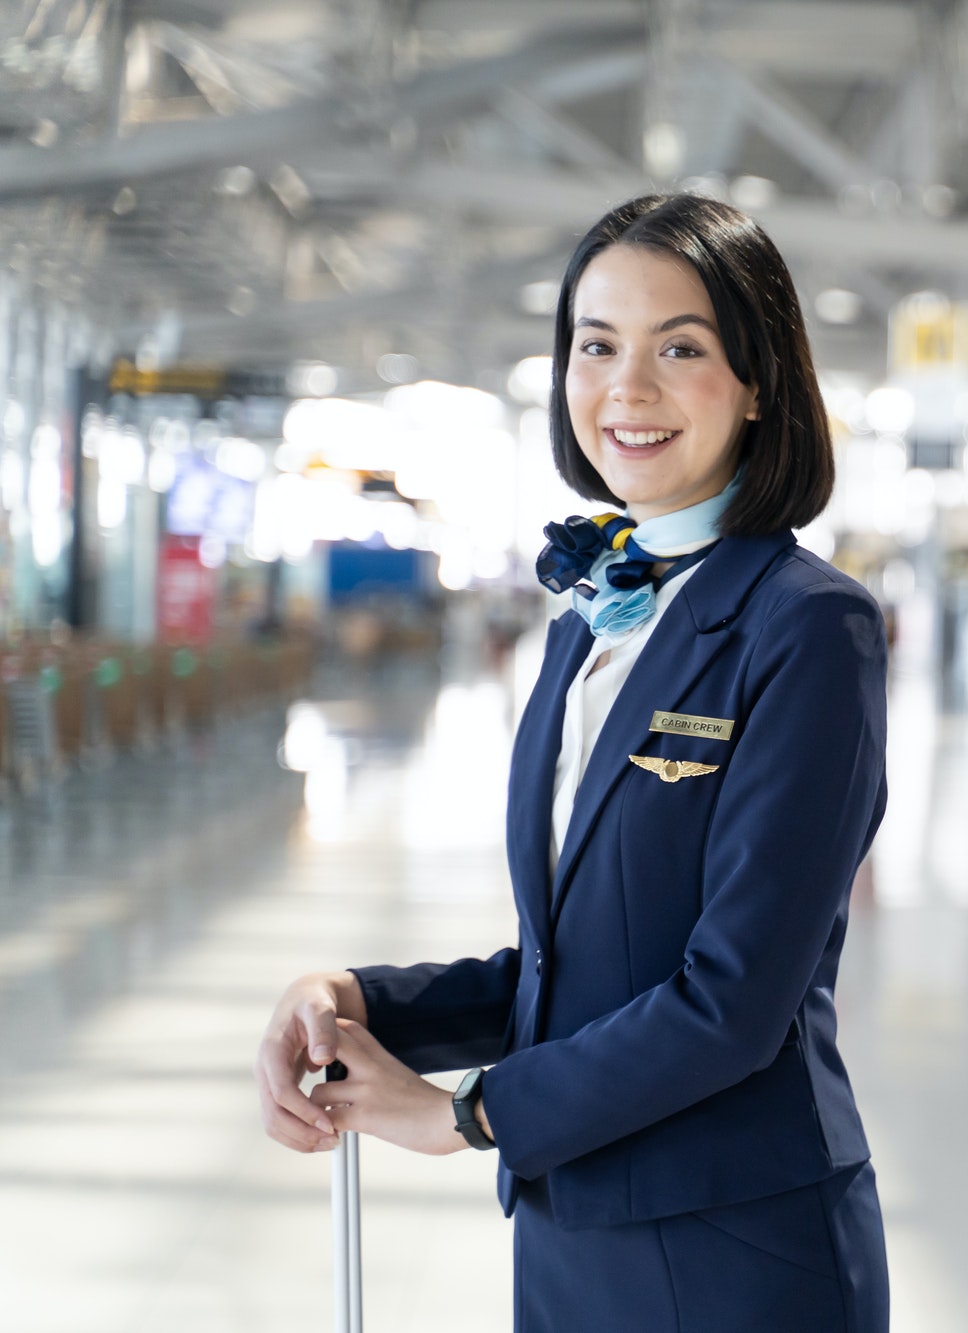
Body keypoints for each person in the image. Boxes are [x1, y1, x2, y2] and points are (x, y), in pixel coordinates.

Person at [255, 193, 890, 1332]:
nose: (626, 389)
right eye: (595, 345)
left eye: (679, 348)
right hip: (570, 1238)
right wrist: (361, 1001)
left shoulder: (806, 627)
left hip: (737, 1249)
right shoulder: (590, 626)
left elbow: (733, 998)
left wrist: (466, 1115)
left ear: (758, 384)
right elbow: (578, 966)